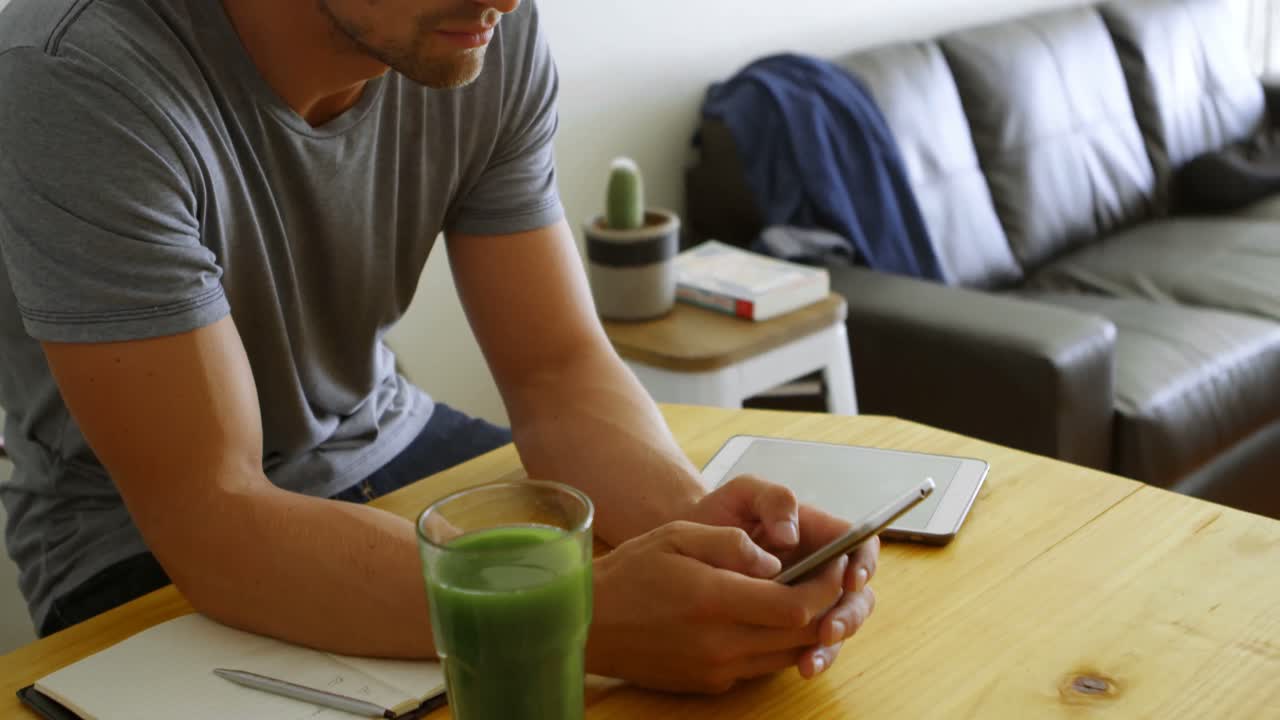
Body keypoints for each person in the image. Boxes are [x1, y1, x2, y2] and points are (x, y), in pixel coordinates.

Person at [0, 0, 878, 694]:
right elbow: (214, 517)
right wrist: (574, 614)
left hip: (388, 438)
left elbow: (558, 372)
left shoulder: (480, 30)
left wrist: (704, 531)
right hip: (135, 541)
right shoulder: (74, 72)